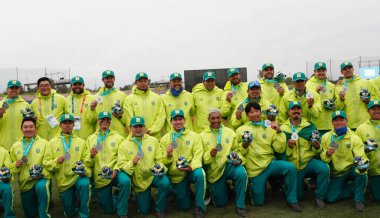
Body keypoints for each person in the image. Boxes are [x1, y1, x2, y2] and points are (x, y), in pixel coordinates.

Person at [235, 102, 301, 212]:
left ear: (261, 112)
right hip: (255, 169)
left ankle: (292, 200)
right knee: (258, 202)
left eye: (257, 111)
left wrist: (279, 131)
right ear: (247, 115)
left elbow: (279, 149)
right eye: (251, 112)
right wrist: (244, 145)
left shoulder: (270, 127)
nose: (255, 114)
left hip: (270, 163)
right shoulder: (240, 130)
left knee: (290, 168)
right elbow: (237, 151)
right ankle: (256, 188)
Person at [117, 116, 170, 218]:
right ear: (130, 127)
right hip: (139, 179)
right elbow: (122, 166)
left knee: (165, 182)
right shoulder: (124, 145)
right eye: (135, 126)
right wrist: (133, 162)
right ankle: (145, 199)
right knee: (144, 211)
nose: (138, 129)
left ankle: (160, 209)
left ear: (144, 127)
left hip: (153, 175)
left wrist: (159, 167)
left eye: (140, 126)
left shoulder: (153, 141)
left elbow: (160, 159)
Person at [280, 101, 329, 208]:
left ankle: (319, 197)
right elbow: (280, 151)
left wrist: (316, 146)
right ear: (288, 112)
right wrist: (289, 146)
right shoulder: (283, 129)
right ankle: (297, 186)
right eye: (293, 109)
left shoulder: (310, 126)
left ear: (301, 111)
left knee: (324, 168)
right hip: (293, 164)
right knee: (300, 196)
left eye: (298, 109)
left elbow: (318, 148)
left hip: (308, 162)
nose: (296, 111)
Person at [200, 109, 247, 217]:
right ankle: (223, 188)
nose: (216, 120)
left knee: (241, 172)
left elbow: (236, 150)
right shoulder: (202, 136)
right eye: (213, 118)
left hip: (229, 165)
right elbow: (202, 159)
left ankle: (240, 205)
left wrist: (239, 159)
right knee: (220, 204)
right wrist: (210, 155)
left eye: (218, 118)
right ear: (208, 119)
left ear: (221, 118)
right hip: (215, 170)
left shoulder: (230, 132)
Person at [160, 109, 206, 218]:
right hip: (176, 175)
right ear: (170, 122)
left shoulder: (195, 136)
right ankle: (178, 191)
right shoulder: (164, 139)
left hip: (190, 170)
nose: (178, 122)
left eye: (180, 119)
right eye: (175, 120)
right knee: (184, 206)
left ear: (185, 120)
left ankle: (199, 207)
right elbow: (162, 162)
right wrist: (168, 155)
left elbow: (198, 154)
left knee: (200, 174)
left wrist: (191, 167)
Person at [84, 112, 130, 217]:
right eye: (102, 120)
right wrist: (91, 156)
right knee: (107, 210)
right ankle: (115, 198)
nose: (104, 122)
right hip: (101, 176)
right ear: (97, 121)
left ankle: (122, 212)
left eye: (107, 120)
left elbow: (122, 157)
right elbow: (87, 162)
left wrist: (116, 169)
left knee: (125, 181)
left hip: (115, 171)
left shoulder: (118, 137)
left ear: (110, 122)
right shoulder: (90, 139)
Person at [320, 111, 368, 211]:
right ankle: (352, 189)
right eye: (336, 120)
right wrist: (328, 153)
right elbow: (323, 159)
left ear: (346, 121)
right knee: (330, 198)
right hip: (337, 173)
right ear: (332, 122)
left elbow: (360, 155)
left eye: (342, 120)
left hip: (351, 169)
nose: (339, 122)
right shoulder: (326, 137)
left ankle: (359, 200)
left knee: (362, 172)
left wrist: (361, 164)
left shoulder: (354, 138)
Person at [44, 114, 91, 218]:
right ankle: (73, 203)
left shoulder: (81, 142)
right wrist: (57, 161)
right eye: (65, 123)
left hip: (77, 176)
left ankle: (84, 213)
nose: (67, 125)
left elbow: (86, 161)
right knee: (69, 213)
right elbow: (47, 162)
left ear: (74, 124)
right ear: (60, 125)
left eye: (70, 123)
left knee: (85, 184)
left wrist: (85, 170)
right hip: (63, 180)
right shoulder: (52, 143)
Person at [10, 117, 51, 218]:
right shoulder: (15, 146)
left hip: (41, 179)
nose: (28, 129)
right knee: (30, 214)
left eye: (31, 127)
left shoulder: (44, 143)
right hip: (25, 183)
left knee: (41, 188)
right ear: (21, 129)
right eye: (25, 127)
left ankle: (44, 215)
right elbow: (11, 169)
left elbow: (48, 162)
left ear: (36, 129)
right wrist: (16, 165)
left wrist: (42, 174)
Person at [124, 72, 166, 139]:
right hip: (137, 137)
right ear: (136, 82)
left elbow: (161, 116)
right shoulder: (129, 99)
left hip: (154, 137)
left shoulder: (157, 97)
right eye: (140, 81)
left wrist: (150, 130)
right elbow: (129, 118)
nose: (143, 83)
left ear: (148, 82)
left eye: (145, 81)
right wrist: (139, 131)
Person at [90, 70, 127, 137]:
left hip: (119, 135)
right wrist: (92, 109)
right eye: (107, 78)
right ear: (103, 80)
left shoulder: (122, 95)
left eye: (111, 78)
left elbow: (127, 118)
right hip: (102, 134)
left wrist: (120, 116)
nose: (109, 80)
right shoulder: (96, 97)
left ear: (114, 79)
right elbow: (92, 120)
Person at [356, 100, 380, 201]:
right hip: (374, 170)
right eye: (373, 109)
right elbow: (357, 152)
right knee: (377, 198)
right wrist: (366, 149)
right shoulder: (361, 128)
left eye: (379, 109)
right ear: (368, 111)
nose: (376, 111)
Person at [334, 62, 370, 130]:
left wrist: (368, 101)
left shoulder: (365, 82)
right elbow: (337, 107)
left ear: (353, 69)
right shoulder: (339, 86)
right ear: (341, 72)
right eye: (345, 69)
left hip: (365, 123)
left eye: (349, 68)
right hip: (349, 125)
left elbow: (374, 100)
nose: (348, 70)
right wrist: (341, 99)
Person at [305, 62, 336, 135]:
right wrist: (316, 92)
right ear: (314, 72)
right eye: (319, 71)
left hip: (330, 125)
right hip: (315, 125)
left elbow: (336, 103)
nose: (321, 72)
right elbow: (306, 104)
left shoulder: (331, 85)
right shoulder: (308, 85)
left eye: (323, 70)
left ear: (326, 71)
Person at [0, 80, 30, 150]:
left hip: (21, 145)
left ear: (19, 90)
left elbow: (30, 125)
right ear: (7, 89)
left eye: (16, 88)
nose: (14, 90)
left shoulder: (26, 105)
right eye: (11, 88)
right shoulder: (0, 104)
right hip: (3, 146)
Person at [0, 146, 15, 218]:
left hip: (1, 181)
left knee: (7, 188)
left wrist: (8, 176)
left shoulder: (3, 151)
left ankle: (9, 215)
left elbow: (9, 168)